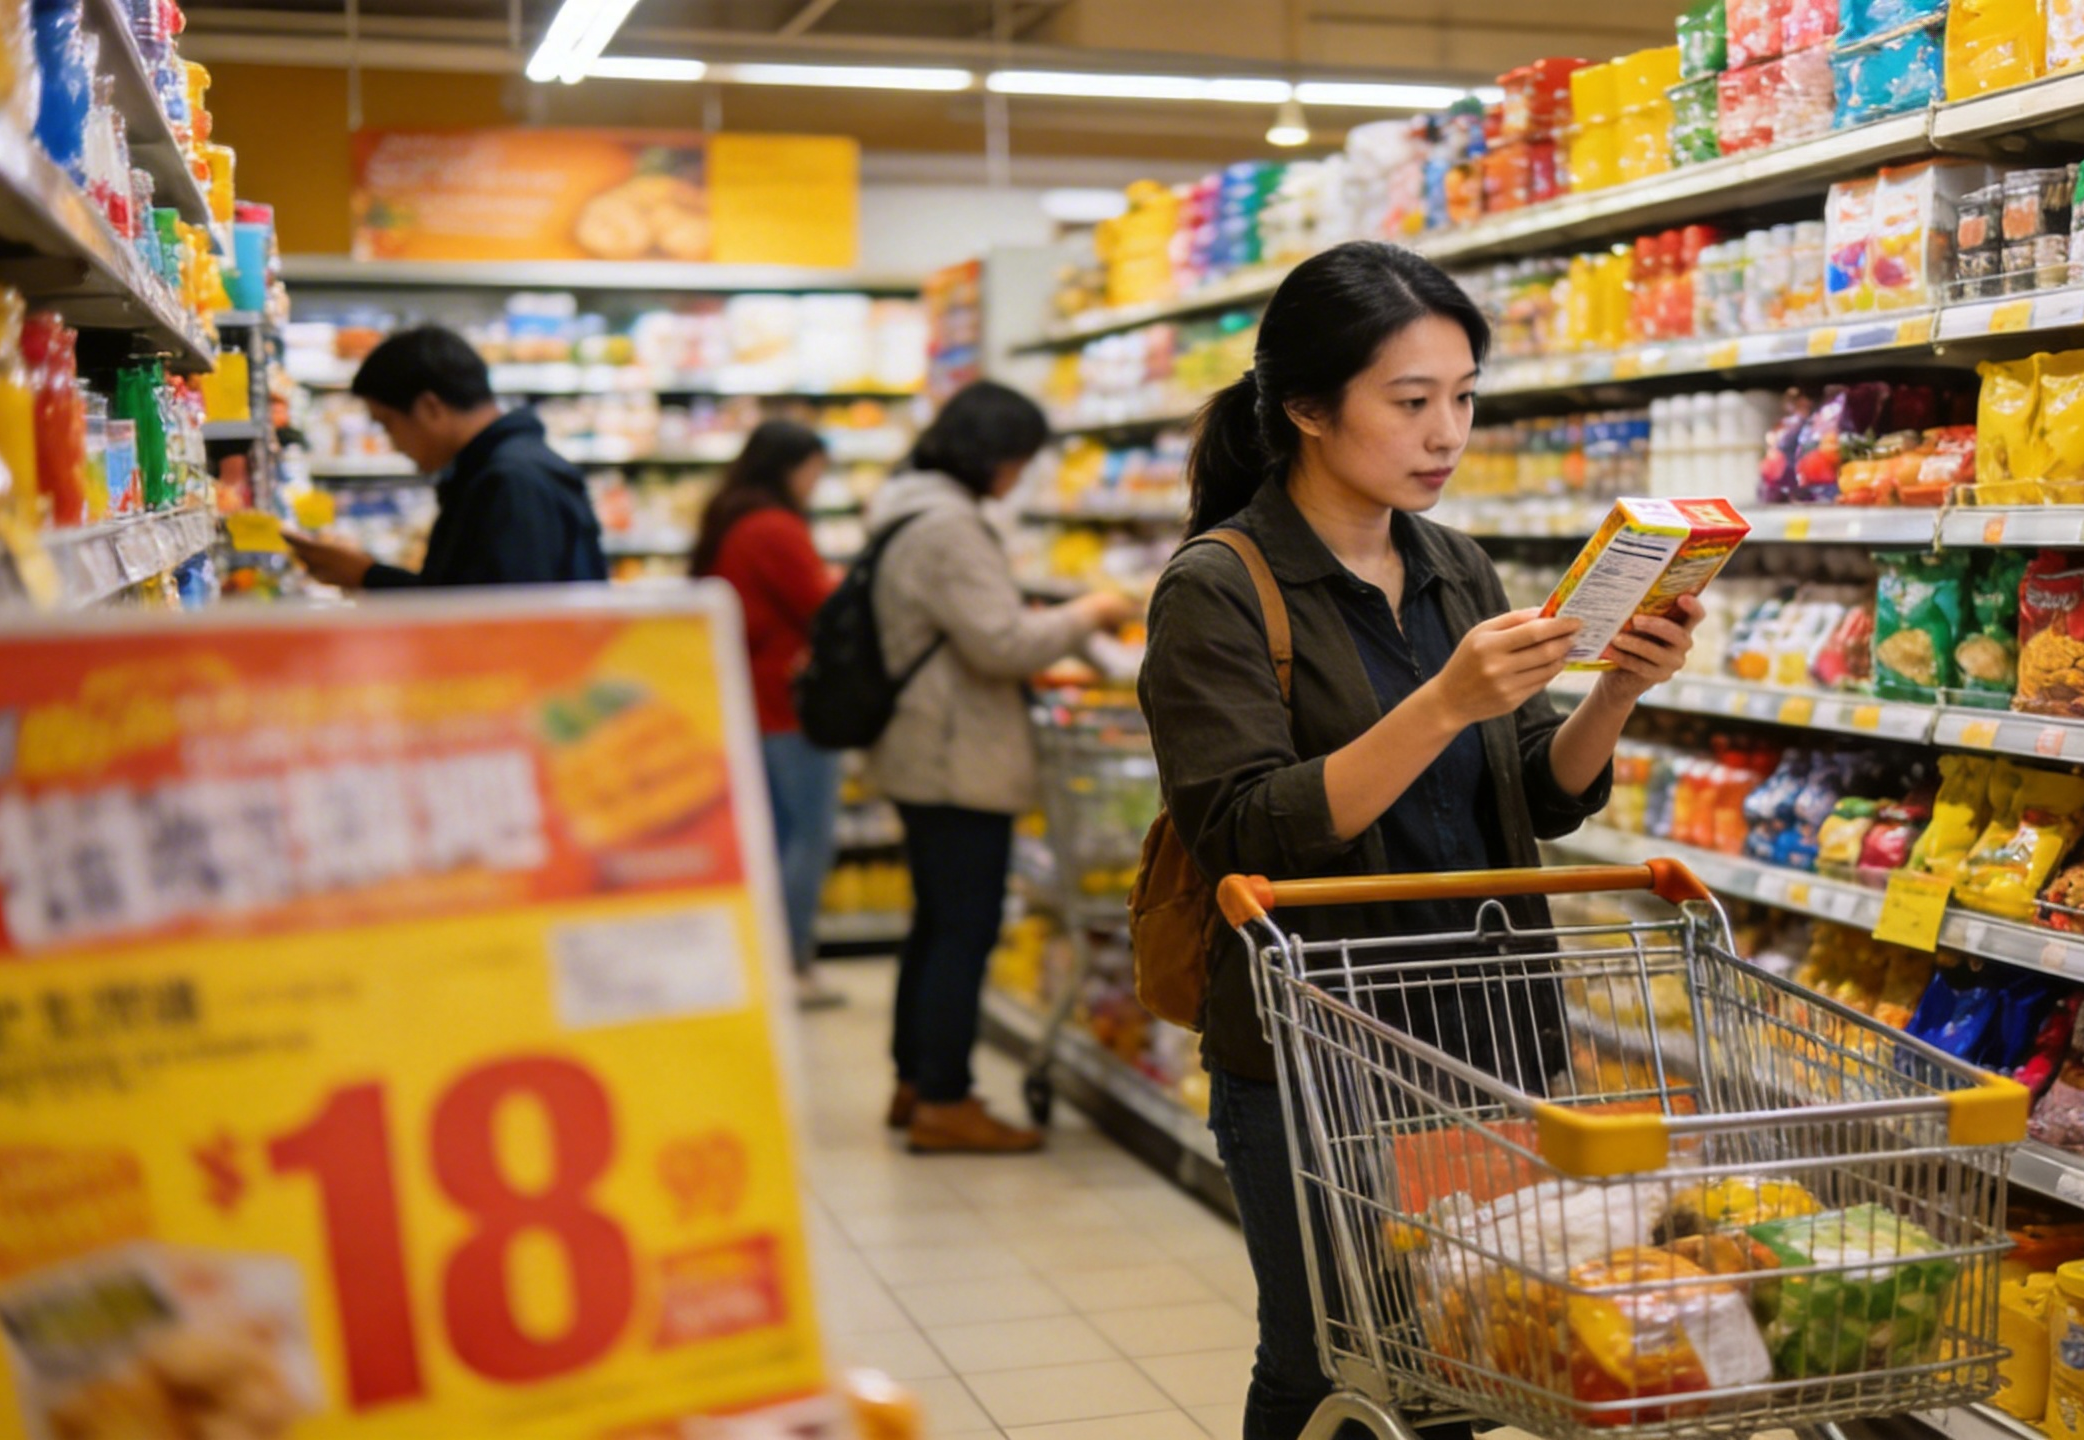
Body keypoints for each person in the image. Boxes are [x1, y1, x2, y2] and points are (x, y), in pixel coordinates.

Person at [1137, 240, 1704, 1440]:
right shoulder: (1220, 587)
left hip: (1486, 1034)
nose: (1446, 434)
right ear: (1306, 408)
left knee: (1464, 1353)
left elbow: (1538, 794)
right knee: (1329, 1359)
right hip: (1321, 1048)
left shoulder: (1452, 564)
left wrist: (1616, 692)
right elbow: (1244, 830)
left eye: (1463, 398)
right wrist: (1442, 703)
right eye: (1409, 402)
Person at [864, 380, 1135, 1154]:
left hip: (924, 746)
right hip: (955, 756)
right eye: (1019, 459)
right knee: (963, 929)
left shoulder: (906, 506)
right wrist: (1087, 613)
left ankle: (916, 1081)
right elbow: (1001, 645)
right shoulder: (949, 527)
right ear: (990, 455)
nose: (1021, 476)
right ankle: (945, 1100)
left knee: (935, 924)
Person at [691, 419, 849, 1011]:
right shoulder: (774, 527)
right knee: (807, 838)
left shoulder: (732, 518)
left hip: (751, 700)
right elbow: (822, 606)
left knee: (776, 837)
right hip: (788, 706)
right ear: (791, 467)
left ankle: (764, 963)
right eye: (814, 472)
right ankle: (788, 964)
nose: (816, 485)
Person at [286, 325, 608, 590]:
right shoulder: (500, 470)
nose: (393, 444)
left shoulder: (512, 481)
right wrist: (367, 575)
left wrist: (367, 577)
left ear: (430, 407)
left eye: (387, 424)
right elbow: (464, 598)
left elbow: (494, 623)